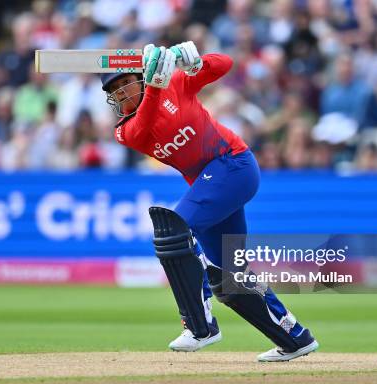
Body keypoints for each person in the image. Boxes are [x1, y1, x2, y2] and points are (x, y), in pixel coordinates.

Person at [101, 41, 318, 362]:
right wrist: (156, 86)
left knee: (173, 230)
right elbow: (146, 121)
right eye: (114, 90)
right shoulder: (126, 131)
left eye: (125, 82)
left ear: (141, 77)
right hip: (215, 183)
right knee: (230, 278)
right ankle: (295, 338)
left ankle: (199, 327)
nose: (121, 92)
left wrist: (189, 61)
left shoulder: (174, 84)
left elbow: (225, 64)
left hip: (235, 165)